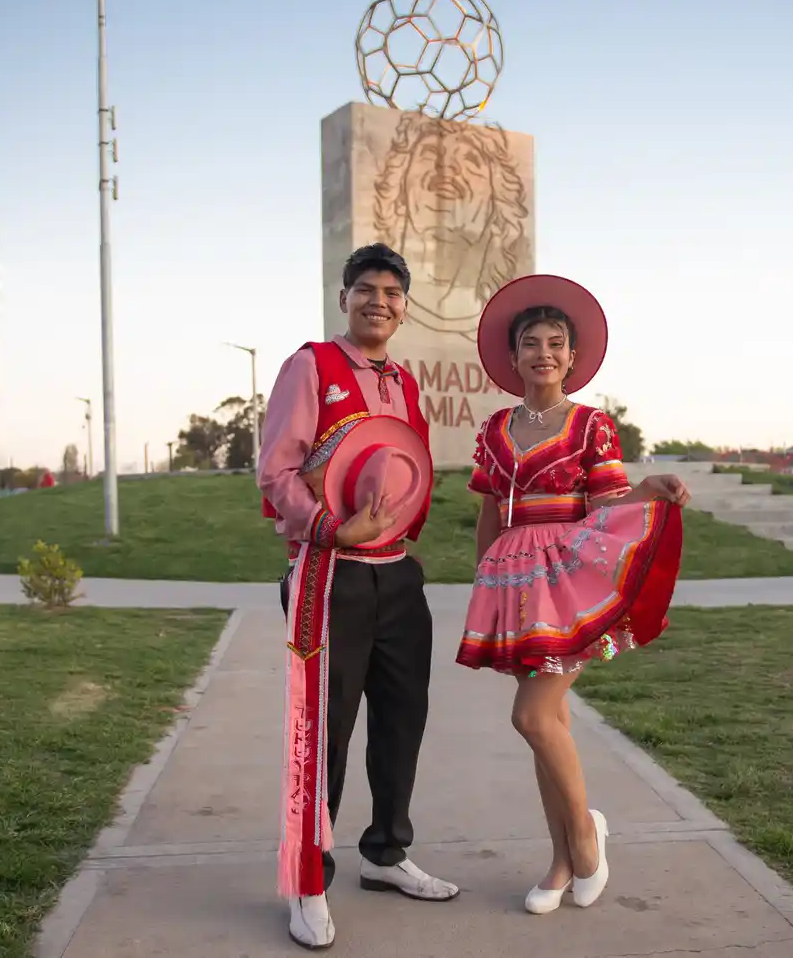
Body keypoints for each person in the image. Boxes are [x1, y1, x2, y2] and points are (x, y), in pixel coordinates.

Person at [456, 274, 690, 916]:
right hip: (513, 584)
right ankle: (560, 860)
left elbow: (607, 504)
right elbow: (489, 512)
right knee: (549, 726)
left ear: (572, 356)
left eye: (555, 343)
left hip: (567, 583)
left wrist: (648, 489)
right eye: (531, 343)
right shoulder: (496, 428)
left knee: (532, 716)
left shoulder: (590, 426)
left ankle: (587, 836)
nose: (544, 353)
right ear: (512, 356)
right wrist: (484, 582)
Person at [257, 243, 459, 951]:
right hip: (329, 571)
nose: (380, 301)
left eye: (392, 292)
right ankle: (308, 878)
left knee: (402, 717)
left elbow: (409, 468)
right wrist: (330, 527)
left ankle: (386, 853)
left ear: (405, 307)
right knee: (325, 730)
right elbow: (277, 470)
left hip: (396, 572)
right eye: (366, 289)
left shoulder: (403, 381)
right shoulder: (312, 365)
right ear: (344, 297)